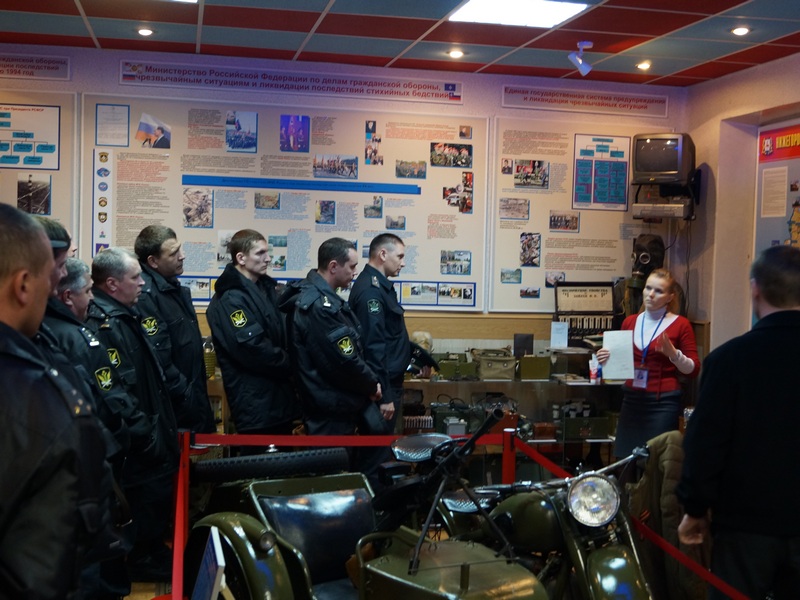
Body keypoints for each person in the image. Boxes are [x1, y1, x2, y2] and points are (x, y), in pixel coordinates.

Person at [0, 205, 112, 597]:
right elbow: (46, 562)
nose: (57, 284)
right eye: (52, 272)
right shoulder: (38, 399)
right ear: (23, 285)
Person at [676, 245, 800, 599]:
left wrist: (695, 507)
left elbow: (706, 443)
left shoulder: (729, 360)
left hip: (745, 527)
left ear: (755, 289)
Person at [86, 247, 179, 583]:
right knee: (143, 506)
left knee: (155, 505)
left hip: (150, 429)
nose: (142, 283)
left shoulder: (125, 314)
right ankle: (142, 559)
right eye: (135, 277)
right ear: (112, 284)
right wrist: (146, 434)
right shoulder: (105, 323)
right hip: (139, 440)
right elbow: (117, 391)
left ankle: (151, 552)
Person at [278, 237, 382, 479]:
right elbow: (344, 361)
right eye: (352, 267)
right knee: (331, 483)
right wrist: (371, 384)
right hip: (328, 411)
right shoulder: (319, 306)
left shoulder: (324, 298)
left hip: (332, 406)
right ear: (333, 266)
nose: (355, 273)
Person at [596, 268, 700, 458]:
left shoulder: (681, 324)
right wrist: (606, 359)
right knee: (625, 458)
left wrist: (674, 355)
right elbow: (621, 365)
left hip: (663, 403)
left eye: (658, 291)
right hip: (632, 399)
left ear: (670, 297)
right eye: (648, 288)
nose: (650, 294)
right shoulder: (629, 322)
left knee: (655, 460)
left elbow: (693, 369)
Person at [206, 229, 297, 443]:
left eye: (267, 252)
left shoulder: (265, 289)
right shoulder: (231, 299)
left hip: (277, 398)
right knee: (261, 459)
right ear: (241, 258)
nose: (268, 258)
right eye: (260, 253)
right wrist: (292, 364)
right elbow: (253, 348)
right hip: (256, 404)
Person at [135, 225, 216, 433]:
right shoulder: (146, 295)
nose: (182, 256)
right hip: (176, 405)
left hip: (191, 396)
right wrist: (185, 392)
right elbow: (159, 356)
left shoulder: (172, 288)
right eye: (173, 253)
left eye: (180, 249)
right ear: (153, 261)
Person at [349, 233, 412, 433]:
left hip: (389, 381)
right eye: (400, 256)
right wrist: (385, 396)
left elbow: (391, 336)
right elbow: (373, 346)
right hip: (383, 387)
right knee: (377, 448)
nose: (403, 263)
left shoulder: (380, 286)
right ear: (383, 254)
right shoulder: (371, 291)